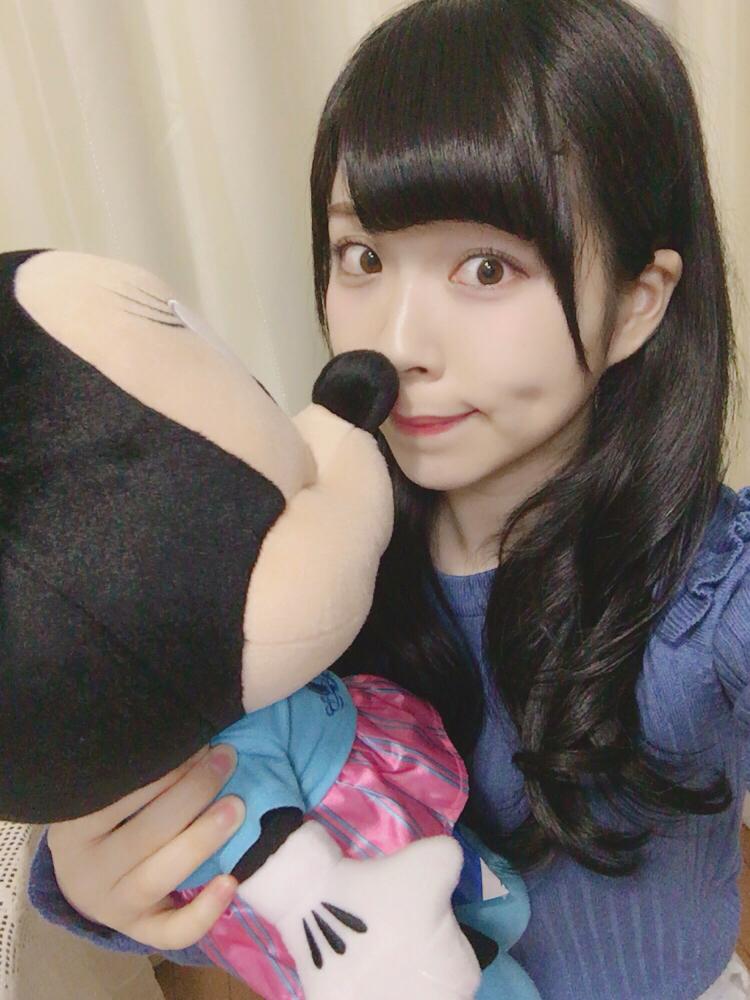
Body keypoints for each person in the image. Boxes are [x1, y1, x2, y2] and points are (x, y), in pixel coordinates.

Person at [28, 0, 750, 997]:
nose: (395, 341)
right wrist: (111, 880)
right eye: (361, 257)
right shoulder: (294, 562)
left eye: (487, 267)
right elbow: (285, 890)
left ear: (636, 301)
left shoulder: (715, 602)